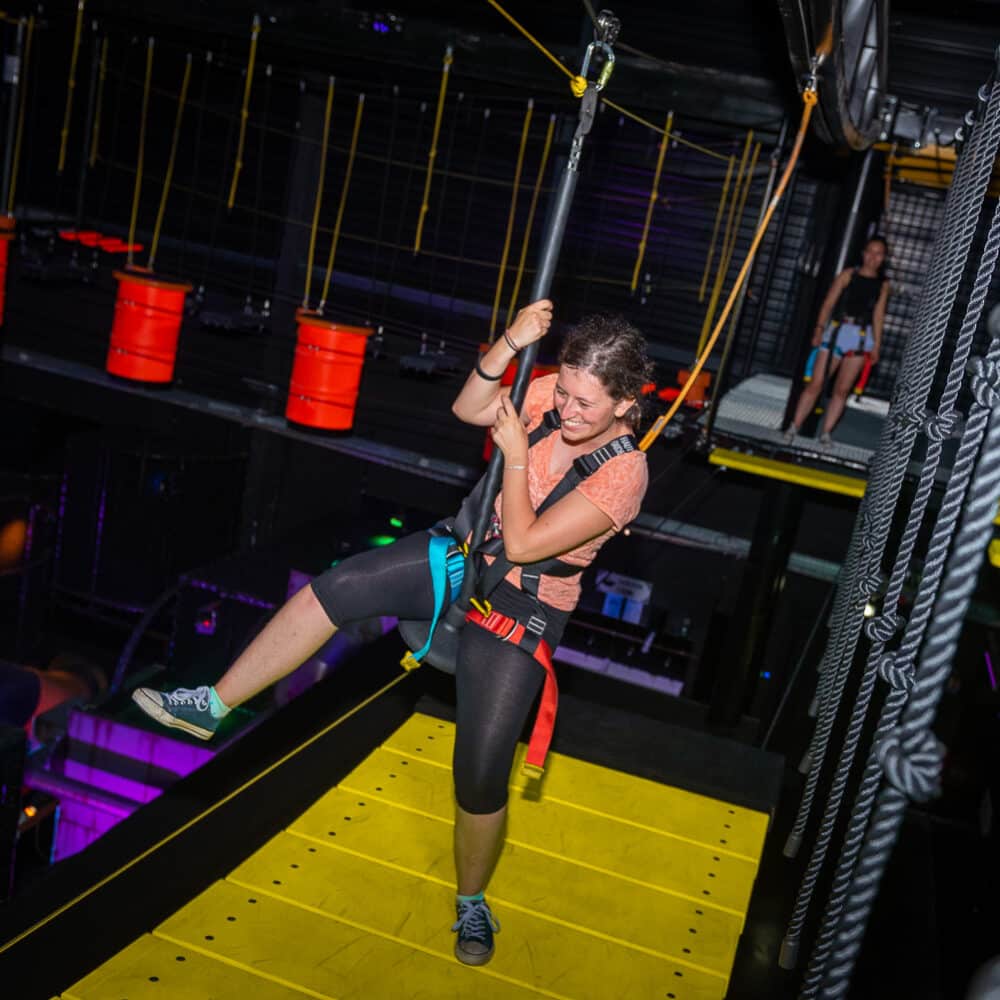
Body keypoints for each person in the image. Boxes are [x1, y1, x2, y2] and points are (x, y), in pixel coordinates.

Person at [132, 299, 651, 967]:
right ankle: (212, 704)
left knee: (481, 772)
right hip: (461, 552)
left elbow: (524, 545)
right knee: (339, 587)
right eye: (565, 392)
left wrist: (519, 456)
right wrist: (510, 343)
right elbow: (469, 408)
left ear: (625, 404)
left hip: (522, 605)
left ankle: (471, 900)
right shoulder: (547, 390)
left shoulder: (623, 474)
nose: (569, 410)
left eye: (585, 404)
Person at [783, 236, 891, 445]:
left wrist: (877, 345)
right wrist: (819, 329)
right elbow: (828, 303)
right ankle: (794, 426)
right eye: (870, 252)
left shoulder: (883, 285)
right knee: (816, 383)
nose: (873, 257)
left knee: (842, 390)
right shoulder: (848, 275)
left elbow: (878, 315)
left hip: (861, 338)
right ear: (863, 253)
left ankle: (826, 433)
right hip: (837, 332)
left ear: (883, 258)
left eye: (878, 254)